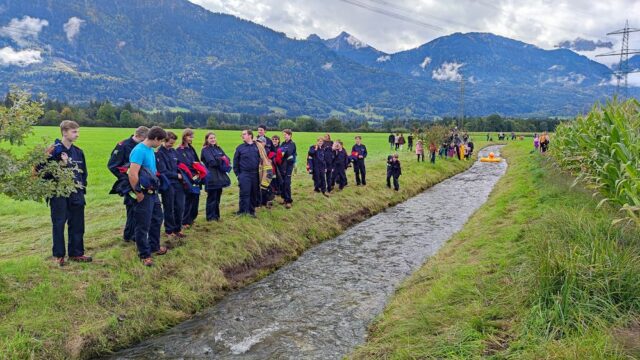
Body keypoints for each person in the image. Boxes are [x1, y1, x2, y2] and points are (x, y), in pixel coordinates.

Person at [44, 120, 91, 266]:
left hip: (76, 193)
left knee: (77, 223)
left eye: (77, 131)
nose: (77, 135)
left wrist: (81, 188)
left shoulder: (78, 152)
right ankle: (59, 255)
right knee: (59, 224)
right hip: (59, 193)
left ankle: (76, 253)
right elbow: (42, 173)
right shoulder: (52, 151)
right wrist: (60, 164)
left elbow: (84, 173)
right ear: (64, 132)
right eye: (74, 131)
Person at [128, 126, 168, 267]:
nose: (161, 144)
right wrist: (138, 193)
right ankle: (144, 254)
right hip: (144, 194)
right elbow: (132, 174)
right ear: (156, 138)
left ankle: (154, 246)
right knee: (142, 225)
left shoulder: (150, 150)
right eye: (161, 140)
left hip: (153, 192)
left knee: (157, 219)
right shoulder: (139, 151)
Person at [108, 126, 148, 242]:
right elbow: (112, 165)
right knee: (132, 209)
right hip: (129, 183)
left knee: (141, 209)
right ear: (139, 136)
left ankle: (137, 234)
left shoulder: (143, 146)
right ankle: (129, 236)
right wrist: (126, 178)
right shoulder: (123, 146)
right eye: (145, 139)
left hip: (142, 182)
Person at [156, 131, 186, 238]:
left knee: (180, 207)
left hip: (178, 184)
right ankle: (169, 231)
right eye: (169, 143)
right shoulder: (159, 153)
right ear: (164, 141)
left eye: (173, 143)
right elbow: (163, 171)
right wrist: (177, 175)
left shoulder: (174, 151)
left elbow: (179, 165)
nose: (171, 145)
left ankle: (178, 229)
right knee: (169, 208)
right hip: (167, 185)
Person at [201, 132, 231, 221]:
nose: (213, 139)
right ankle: (210, 217)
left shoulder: (218, 148)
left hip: (220, 177)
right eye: (211, 138)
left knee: (217, 197)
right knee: (212, 197)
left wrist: (221, 159)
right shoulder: (205, 150)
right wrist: (221, 159)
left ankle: (216, 216)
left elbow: (227, 159)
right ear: (207, 139)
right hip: (211, 177)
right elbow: (211, 162)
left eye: (214, 138)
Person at [177, 129, 202, 229]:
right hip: (187, 178)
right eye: (190, 136)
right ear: (184, 137)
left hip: (196, 177)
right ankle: (185, 221)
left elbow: (196, 161)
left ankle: (192, 219)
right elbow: (182, 165)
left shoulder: (191, 148)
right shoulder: (179, 150)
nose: (191, 138)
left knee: (195, 198)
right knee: (188, 199)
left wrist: (200, 171)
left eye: (192, 136)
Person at [233, 129, 260, 216]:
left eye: (244, 134)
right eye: (242, 134)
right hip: (244, 174)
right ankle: (243, 211)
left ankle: (252, 211)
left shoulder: (257, 146)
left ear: (250, 135)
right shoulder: (240, 148)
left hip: (255, 174)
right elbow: (235, 162)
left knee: (253, 193)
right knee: (244, 192)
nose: (242, 136)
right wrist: (238, 174)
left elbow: (263, 158)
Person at [279, 129, 297, 208]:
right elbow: (279, 152)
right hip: (282, 165)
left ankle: (289, 201)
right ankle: (284, 198)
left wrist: (283, 151)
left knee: (287, 183)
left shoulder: (292, 144)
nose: (284, 136)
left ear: (290, 135)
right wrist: (282, 152)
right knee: (282, 183)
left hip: (289, 166)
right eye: (283, 134)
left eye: (285, 134)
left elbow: (288, 152)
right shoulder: (283, 143)